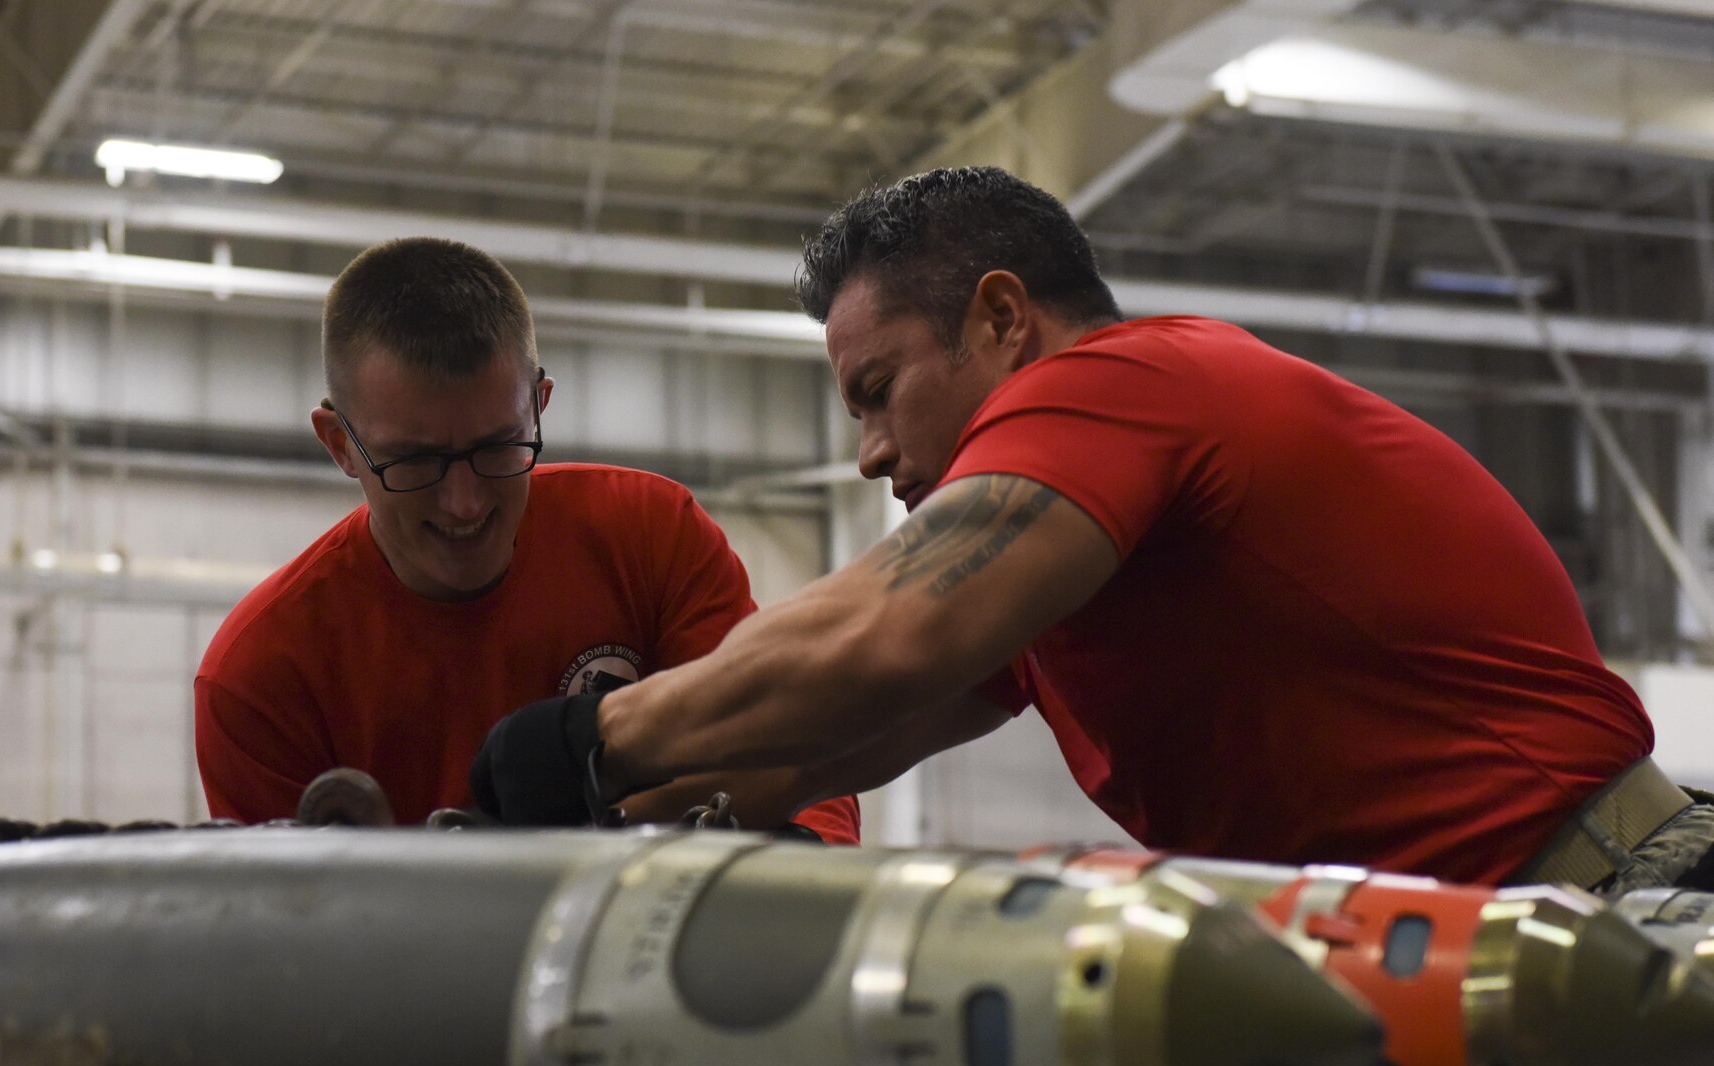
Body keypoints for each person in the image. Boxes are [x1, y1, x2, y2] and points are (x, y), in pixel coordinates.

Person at [470, 165, 1714, 893]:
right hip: (1500, 944)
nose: (869, 452)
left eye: (878, 389)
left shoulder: (1126, 384)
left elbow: (880, 638)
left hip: (1617, 911)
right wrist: (560, 842)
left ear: (1001, 319)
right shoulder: (1066, 569)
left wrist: (585, 738)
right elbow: (820, 743)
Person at [195, 236, 860, 844]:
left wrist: (804, 862)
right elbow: (289, 940)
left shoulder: (651, 536)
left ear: (538, 405)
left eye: (499, 446)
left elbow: (785, 746)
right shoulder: (260, 677)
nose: (465, 501)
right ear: (340, 443)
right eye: (415, 462)